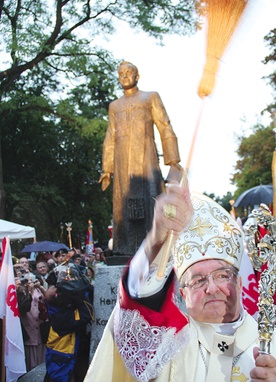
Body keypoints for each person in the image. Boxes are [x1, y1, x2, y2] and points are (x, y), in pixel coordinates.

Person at [84, 181, 276, 381]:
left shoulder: (270, 342)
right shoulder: (168, 342)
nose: (211, 288)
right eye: (198, 280)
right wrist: (155, 243)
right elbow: (135, 306)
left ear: (239, 284)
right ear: (183, 294)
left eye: (222, 275)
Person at [99, 61, 180, 255]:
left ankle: (156, 248)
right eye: (121, 74)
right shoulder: (114, 106)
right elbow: (110, 136)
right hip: (121, 165)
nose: (125, 76)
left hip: (146, 160)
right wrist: (107, 169)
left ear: (137, 76)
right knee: (122, 206)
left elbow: (165, 126)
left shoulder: (150, 97)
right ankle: (123, 249)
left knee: (151, 202)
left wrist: (174, 162)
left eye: (129, 72)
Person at [15, 258, 47, 372]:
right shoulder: (20, 293)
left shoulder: (38, 290)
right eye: (26, 281)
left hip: (41, 332)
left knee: (42, 362)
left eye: (31, 280)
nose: (29, 283)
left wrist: (40, 287)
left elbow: (48, 299)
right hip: (29, 333)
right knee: (31, 364)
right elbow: (24, 308)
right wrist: (27, 291)